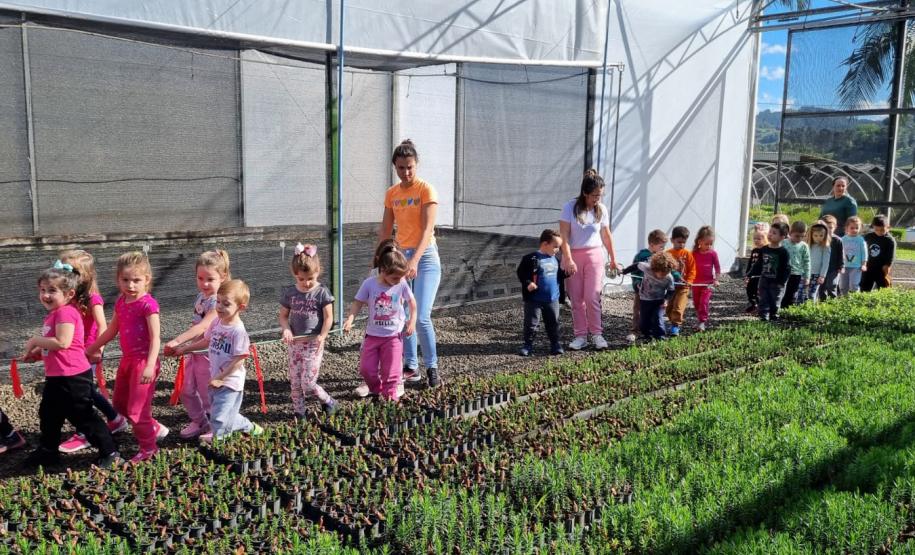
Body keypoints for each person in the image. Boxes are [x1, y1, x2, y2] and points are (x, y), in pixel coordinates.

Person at [22, 264, 120, 468]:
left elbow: (63, 342)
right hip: (58, 375)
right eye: (42, 290)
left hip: (73, 376)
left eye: (52, 290)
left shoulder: (65, 313)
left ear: (69, 294)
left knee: (82, 414)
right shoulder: (54, 314)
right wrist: (39, 355)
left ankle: (110, 451)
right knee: (49, 413)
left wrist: (35, 341)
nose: (45, 295)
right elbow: (58, 347)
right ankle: (48, 450)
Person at [87, 252, 166, 463]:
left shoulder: (148, 305)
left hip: (143, 362)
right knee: (120, 405)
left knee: (136, 410)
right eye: (125, 280)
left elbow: (156, 338)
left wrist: (150, 365)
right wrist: (92, 348)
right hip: (127, 360)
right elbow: (112, 329)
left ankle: (149, 449)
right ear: (118, 279)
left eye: (136, 280)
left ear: (147, 280)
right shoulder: (122, 302)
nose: (130, 285)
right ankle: (152, 426)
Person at [378, 139, 441, 388]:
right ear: (395, 166)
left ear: (417, 165)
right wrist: (379, 261)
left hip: (425, 258)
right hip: (400, 256)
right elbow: (385, 230)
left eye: (410, 167)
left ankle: (432, 367)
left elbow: (427, 230)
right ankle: (411, 366)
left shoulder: (426, 190)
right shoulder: (392, 193)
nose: (406, 172)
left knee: (422, 316)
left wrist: (414, 261)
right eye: (401, 167)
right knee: (402, 315)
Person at [56, 250, 128, 454]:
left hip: (89, 351)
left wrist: (99, 349)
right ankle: (115, 418)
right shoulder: (71, 296)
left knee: (81, 394)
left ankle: (85, 432)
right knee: (87, 390)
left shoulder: (92, 299)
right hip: (75, 351)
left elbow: (103, 325)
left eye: (68, 271)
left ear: (83, 276)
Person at [175, 280, 262, 442]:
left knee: (219, 417)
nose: (220, 307)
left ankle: (220, 442)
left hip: (230, 382)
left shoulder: (238, 332)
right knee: (223, 413)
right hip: (216, 378)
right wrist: (184, 349)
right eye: (219, 302)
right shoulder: (217, 322)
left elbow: (239, 360)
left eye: (226, 304)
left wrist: (220, 377)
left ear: (240, 308)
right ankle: (249, 428)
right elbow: (206, 341)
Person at [163, 250, 231, 440]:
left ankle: (216, 425)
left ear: (223, 277)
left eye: (210, 279)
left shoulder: (220, 302)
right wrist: (187, 346)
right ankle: (200, 421)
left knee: (207, 390)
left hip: (209, 353)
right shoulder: (201, 297)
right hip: (195, 350)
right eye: (200, 278)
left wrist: (178, 341)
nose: (205, 283)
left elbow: (202, 326)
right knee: (187, 389)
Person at [343, 247, 417, 401]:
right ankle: (377, 389)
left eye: (400, 277)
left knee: (391, 371)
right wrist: (350, 319)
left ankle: (390, 397)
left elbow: (412, 303)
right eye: (395, 278)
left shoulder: (401, 283)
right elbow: (358, 303)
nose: (398, 281)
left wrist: (412, 321)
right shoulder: (369, 284)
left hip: (393, 337)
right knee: (366, 369)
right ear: (383, 270)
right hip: (372, 336)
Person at [559, 169, 619, 350]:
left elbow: (606, 236)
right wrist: (568, 259)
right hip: (574, 256)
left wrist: (613, 258)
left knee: (592, 296)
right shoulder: (569, 207)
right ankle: (580, 336)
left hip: (594, 256)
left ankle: (597, 334)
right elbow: (564, 235)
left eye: (600, 196)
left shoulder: (601, 209)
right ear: (585, 193)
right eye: (594, 196)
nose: (597, 199)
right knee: (576, 299)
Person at [278, 243, 337, 417]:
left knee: (308, 384)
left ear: (318, 271)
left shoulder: (322, 293)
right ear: (295, 275)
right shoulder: (290, 293)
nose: (306, 283)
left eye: (310, 278)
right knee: (295, 383)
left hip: (313, 344)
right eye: (301, 279)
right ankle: (299, 413)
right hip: (295, 344)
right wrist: (286, 330)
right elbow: (283, 316)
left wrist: (323, 335)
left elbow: (329, 318)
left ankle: (328, 401)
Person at [516, 229, 564, 357]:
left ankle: (555, 344)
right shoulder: (530, 258)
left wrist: (567, 273)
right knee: (531, 323)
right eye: (555, 247)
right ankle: (528, 345)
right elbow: (521, 273)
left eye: (559, 247)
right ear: (545, 244)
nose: (558, 250)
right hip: (534, 299)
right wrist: (528, 283)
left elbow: (559, 276)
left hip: (552, 298)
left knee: (553, 322)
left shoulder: (556, 260)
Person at [623, 252, 677, 341]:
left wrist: (666, 300)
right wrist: (624, 271)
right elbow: (636, 265)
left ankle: (660, 337)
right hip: (645, 299)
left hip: (659, 301)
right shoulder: (647, 268)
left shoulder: (669, 277)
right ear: (655, 268)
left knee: (657, 318)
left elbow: (671, 290)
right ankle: (647, 334)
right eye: (662, 273)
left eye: (666, 273)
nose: (664, 275)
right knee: (644, 321)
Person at [626, 230, 668, 343]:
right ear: (652, 244)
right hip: (642, 290)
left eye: (663, 247)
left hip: (656, 292)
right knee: (638, 310)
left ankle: (651, 332)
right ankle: (634, 331)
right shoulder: (642, 256)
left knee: (654, 312)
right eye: (661, 247)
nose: (662, 249)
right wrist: (636, 284)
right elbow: (634, 271)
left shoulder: (662, 257)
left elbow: (668, 271)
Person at [751, 222, 790, 322]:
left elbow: (787, 268)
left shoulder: (783, 252)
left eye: (774, 233)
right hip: (764, 279)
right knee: (763, 298)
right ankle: (763, 316)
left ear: (782, 237)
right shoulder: (764, 249)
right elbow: (759, 263)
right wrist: (750, 273)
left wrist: (782, 282)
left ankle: (774, 316)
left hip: (777, 282)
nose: (770, 234)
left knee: (775, 300)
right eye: (770, 232)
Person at [665, 226, 695, 337]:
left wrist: (689, 280)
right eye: (679, 242)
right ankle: (672, 322)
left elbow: (692, 269)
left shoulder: (688, 254)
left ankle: (675, 326)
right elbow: (664, 268)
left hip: (684, 286)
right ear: (672, 240)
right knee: (669, 308)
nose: (681, 244)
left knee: (678, 306)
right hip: (671, 286)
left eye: (684, 242)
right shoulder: (667, 253)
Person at [691, 226, 720, 331]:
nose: (709, 246)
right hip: (695, 284)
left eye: (711, 244)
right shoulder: (693, 254)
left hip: (708, 284)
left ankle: (702, 322)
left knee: (704, 302)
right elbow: (689, 267)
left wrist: (716, 279)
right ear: (699, 241)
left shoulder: (713, 254)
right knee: (697, 303)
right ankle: (699, 319)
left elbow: (717, 268)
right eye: (706, 244)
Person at [861, 214, 896, 291]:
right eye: (876, 229)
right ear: (873, 227)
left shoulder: (890, 240)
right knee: (864, 289)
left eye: (882, 230)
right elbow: (862, 249)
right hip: (868, 267)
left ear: (888, 228)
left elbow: (891, 256)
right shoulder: (868, 237)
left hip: (881, 269)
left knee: (884, 289)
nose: (879, 232)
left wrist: (887, 265)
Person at [780, 221, 810, 309]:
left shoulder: (804, 246)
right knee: (782, 291)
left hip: (796, 274)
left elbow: (807, 261)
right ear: (790, 233)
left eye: (802, 236)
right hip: (784, 272)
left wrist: (807, 277)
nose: (800, 238)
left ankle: (787, 309)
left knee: (792, 292)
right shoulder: (784, 243)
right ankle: (779, 307)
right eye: (797, 236)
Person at [839, 216, 867, 295]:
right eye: (852, 228)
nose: (854, 230)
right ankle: (844, 299)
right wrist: (839, 264)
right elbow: (840, 252)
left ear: (860, 228)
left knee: (854, 284)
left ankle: (855, 299)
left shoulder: (861, 240)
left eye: (856, 228)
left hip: (856, 266)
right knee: (843, 285)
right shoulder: (843, 239)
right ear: (847, 228)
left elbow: (864, 253)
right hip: (844, 266)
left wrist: (864, 264)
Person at [818, 215, 845, 300]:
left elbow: (841, 254)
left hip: (833, 268)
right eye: (825, 227)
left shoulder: (837, 240)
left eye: (830, 227)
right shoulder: (820, 239)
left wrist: (841, 266)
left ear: (835, 227)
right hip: (822, 268)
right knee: (821, 287)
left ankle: (833, 303)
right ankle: (823, 304)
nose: (828, 230)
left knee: (831, 286)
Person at [804, 222, 831, 303]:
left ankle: (812, 310)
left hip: (817, 275)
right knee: (803, 293)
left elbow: (826, 262)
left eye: (821, 236)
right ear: (811, 235)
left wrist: (822, 276)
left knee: (812, 294)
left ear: (825, 235)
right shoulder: (807, 245)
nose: (818, 238)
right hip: (806, 273)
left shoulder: (825, 247)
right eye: (815, 235)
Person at [744, 229, 767, 314]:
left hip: (760, 276)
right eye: (755, 238)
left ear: (764, 239)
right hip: (752, 275)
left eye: (759, 239)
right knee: (749, 290)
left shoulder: (765, 250)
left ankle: (759, 307)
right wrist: (747, 274)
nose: (756, 240)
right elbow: (750, 262)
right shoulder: (754, 250)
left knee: (758, 291)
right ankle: (753, 304)